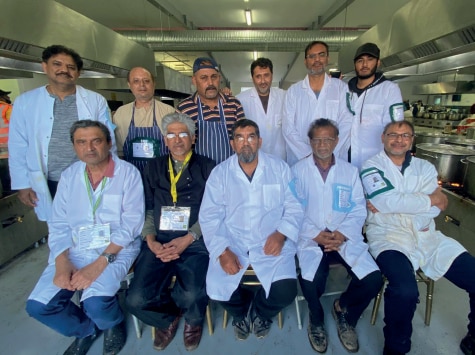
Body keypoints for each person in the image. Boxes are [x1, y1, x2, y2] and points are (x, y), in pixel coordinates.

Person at [25, 120, 144, 355]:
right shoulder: (70, 176)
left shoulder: (127, 174)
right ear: (74, 146)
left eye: (96, 141)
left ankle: (112, 324)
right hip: (75, 248)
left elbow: (132, 224)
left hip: (117, 248)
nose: (89, 148)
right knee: (39, 306)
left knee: (95, 301)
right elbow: (58, 223)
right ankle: (86, 330)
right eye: (81, 142)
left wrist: (99, 263)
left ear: (109, 143)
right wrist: (61, 262)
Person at [360, 120, 475, 355]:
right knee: (405, 291)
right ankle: (396, 347)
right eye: (393, 134)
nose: (399, 139)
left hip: (426, 234)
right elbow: (385, 201)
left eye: (405, 135)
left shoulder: (426, 168)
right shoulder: (371, 167)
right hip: (388, 236)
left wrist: (397, 203)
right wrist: (428, 199)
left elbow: (434, 209)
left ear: (412, 141)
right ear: (383, 138)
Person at [199, 119, 303, 340]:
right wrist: (223, 251)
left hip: (272, 240)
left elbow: (294, 206)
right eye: (240, 137)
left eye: (251, 137)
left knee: (286, 290)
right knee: (217, 287)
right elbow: (209, 217)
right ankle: (240, 314)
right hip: (233, 241)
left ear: (260, 141)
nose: (246, 143)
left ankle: (262, 313)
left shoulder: (280, 168)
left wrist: (281, 233)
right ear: (232, 143)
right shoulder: (220, 174)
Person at [126, 112, 215, 351]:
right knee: (135, 299)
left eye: (183, 134)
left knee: (193, 293)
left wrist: (190, 237)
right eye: (172, 135)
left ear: (193, 138)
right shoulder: (153, 167)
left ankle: (193, 322)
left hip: (196, 239)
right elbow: (147, 209)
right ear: (164, 140)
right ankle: (168, 318)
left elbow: (214, 211)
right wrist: (151, 240)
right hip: (160, 240)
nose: (177, 140)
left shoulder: (208, 166)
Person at [291, 118, 382, 353]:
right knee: (311, 280)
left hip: (343, 235)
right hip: (311, 236)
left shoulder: (350, 172)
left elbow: (358, 208)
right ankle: (317, 318)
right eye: (317, 139)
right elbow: (292, 209)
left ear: (337, 141)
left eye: (328, 139)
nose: (323, 144)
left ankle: (344, 310)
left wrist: (342, 233)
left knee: (373, 280)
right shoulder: (297, 171)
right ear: (310, 142)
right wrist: (315, 234)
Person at [8, 44, 116, 222]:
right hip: (49, 180)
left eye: (71, 67)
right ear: (45, 67)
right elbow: (18, 145)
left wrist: (111, 174)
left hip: (88, 176)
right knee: (58, 227)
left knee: (94, 222)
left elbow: (108, 140)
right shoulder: (25, 102)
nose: (64, 70)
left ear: (78, 72)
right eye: (57, 64)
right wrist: (22, 184)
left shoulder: (95, 100)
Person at [283, 41, 351, 165]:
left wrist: (328, 152)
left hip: (334, 157)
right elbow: (288, 128)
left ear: (327, 58)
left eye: (321, 55)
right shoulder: (293, 91)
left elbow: (346, 123)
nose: (317, 60)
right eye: (312, 56)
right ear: (305, 61)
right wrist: (309, 155)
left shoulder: (341, 88)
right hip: (301, 158)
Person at [345, 43, 404, 170]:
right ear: (355, 64)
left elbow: (395, 127)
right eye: (360, 61)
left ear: (378, 63)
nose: (365, 65)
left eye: (370, 60)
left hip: (374, 158)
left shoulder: (389, 89)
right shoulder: (346, 90)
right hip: (345, 157)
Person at [177, 57, 245, 164]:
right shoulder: (183, 108)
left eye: (214, 77)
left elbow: (242, 139)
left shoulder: (233, 104)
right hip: (198, 174)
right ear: (194, 80)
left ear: (219, 78)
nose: (210, 83)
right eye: (204, 78)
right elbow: (180, 145)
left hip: (229, 170)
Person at [112, 67, 175, 173]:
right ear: (129, 85)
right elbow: (118, 153)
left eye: (146, 81)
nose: (142, 85)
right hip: (131, 176)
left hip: (163, 177)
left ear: (153, 84)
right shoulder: (121, 113)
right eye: (136, 81)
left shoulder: (169, 112)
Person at [236, 58, 287, 161]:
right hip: (254, 158)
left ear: (272, 75)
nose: (263, 81)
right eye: (258, 76)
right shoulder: (240, 100)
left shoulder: (285, 96)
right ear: (252, 78)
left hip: (279, 158)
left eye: (266, 75)